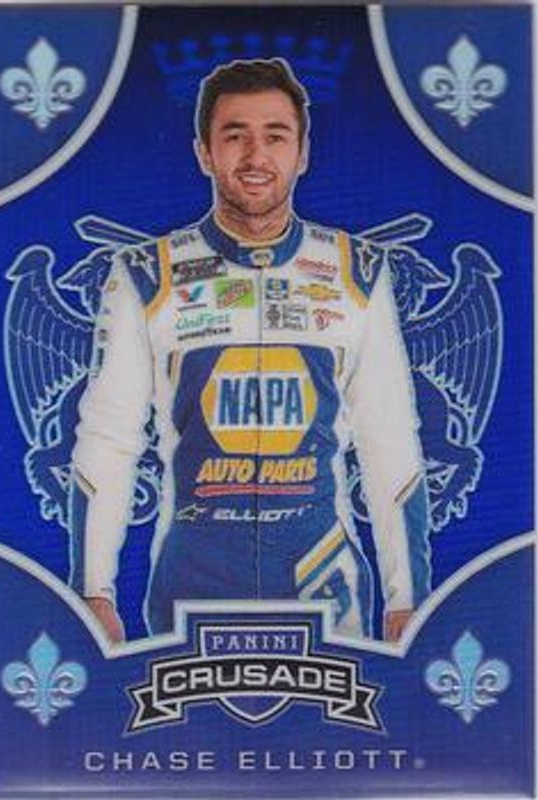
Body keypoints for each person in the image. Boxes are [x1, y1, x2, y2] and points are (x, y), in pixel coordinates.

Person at [69, 58, 431, 644]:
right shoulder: (147, 275)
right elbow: (109, 438)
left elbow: (387, 437)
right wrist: (92, 590)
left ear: (303, 153)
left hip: (324, 583)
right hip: (191, 586)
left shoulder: (357, 272)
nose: (256, 155)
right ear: (203, 153)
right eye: (235, 136)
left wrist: (407, 596)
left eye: (276, 136)